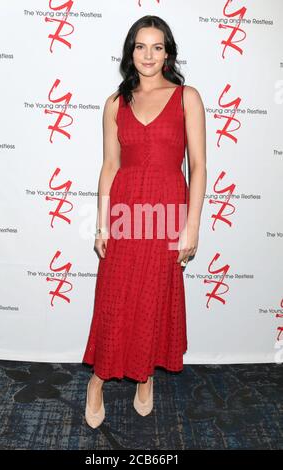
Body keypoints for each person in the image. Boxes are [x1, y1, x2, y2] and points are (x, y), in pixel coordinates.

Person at [82, 15, 206, 428]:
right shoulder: (116, 103)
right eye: (140, 46)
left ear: (167, 52)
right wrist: (101, 224)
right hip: (125, 211)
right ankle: (97, 381)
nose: (148, 55)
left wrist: (191, 224)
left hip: (168, 212)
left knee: (154, 298)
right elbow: (109, 165)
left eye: (156, 46)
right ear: (129, 52)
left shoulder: (187, 97)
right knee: (116, 299)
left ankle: (144, 376)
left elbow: (199, 167)